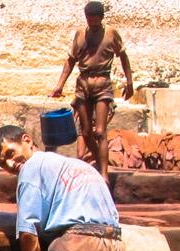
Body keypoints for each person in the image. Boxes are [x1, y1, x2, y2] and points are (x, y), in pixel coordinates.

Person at [50, 1, 133, 183]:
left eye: (96, 22)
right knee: (86, 132)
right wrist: (60, 85)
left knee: (100, 131)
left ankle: (104, 173)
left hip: (103, 83)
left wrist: (129, 82)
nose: (92, 25)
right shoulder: (80, 34)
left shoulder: (111, 34)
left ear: (101, 19)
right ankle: (98, 160)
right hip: (83, 84)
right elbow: (70, 60)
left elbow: (123, 57)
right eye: (90, 22)